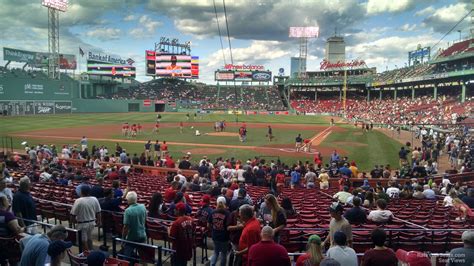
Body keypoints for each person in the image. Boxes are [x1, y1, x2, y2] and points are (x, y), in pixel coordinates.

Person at [71, 185, 101, 251]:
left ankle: (88, 255)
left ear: (81, 192)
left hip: (82, 224)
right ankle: (91, 250)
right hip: (92, 223)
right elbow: (98, 212)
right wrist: (99, 221)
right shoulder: (94, 199)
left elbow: (73, 214)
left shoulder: (78, 200)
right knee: (89, 238)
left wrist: (74, 221)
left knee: (83, 241)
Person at [122, 191, 147, 262]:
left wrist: (123, 239)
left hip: (131, 237)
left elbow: (125, 227)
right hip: (142, 235)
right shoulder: (143, 207)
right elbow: (145, 220)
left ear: (127, 200)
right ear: (136, 199)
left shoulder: (128, 211)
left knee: (126, 258)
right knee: (143, 257)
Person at [208, 196, 230, 266]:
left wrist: (214, 228)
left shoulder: (212, 212)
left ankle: (212, 264)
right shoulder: (227, 213)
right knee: (223, 253)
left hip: (215, 235)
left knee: (216, 252)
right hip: (224, 237)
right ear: (225, 203)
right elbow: (228, 226)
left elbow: (208, 225)